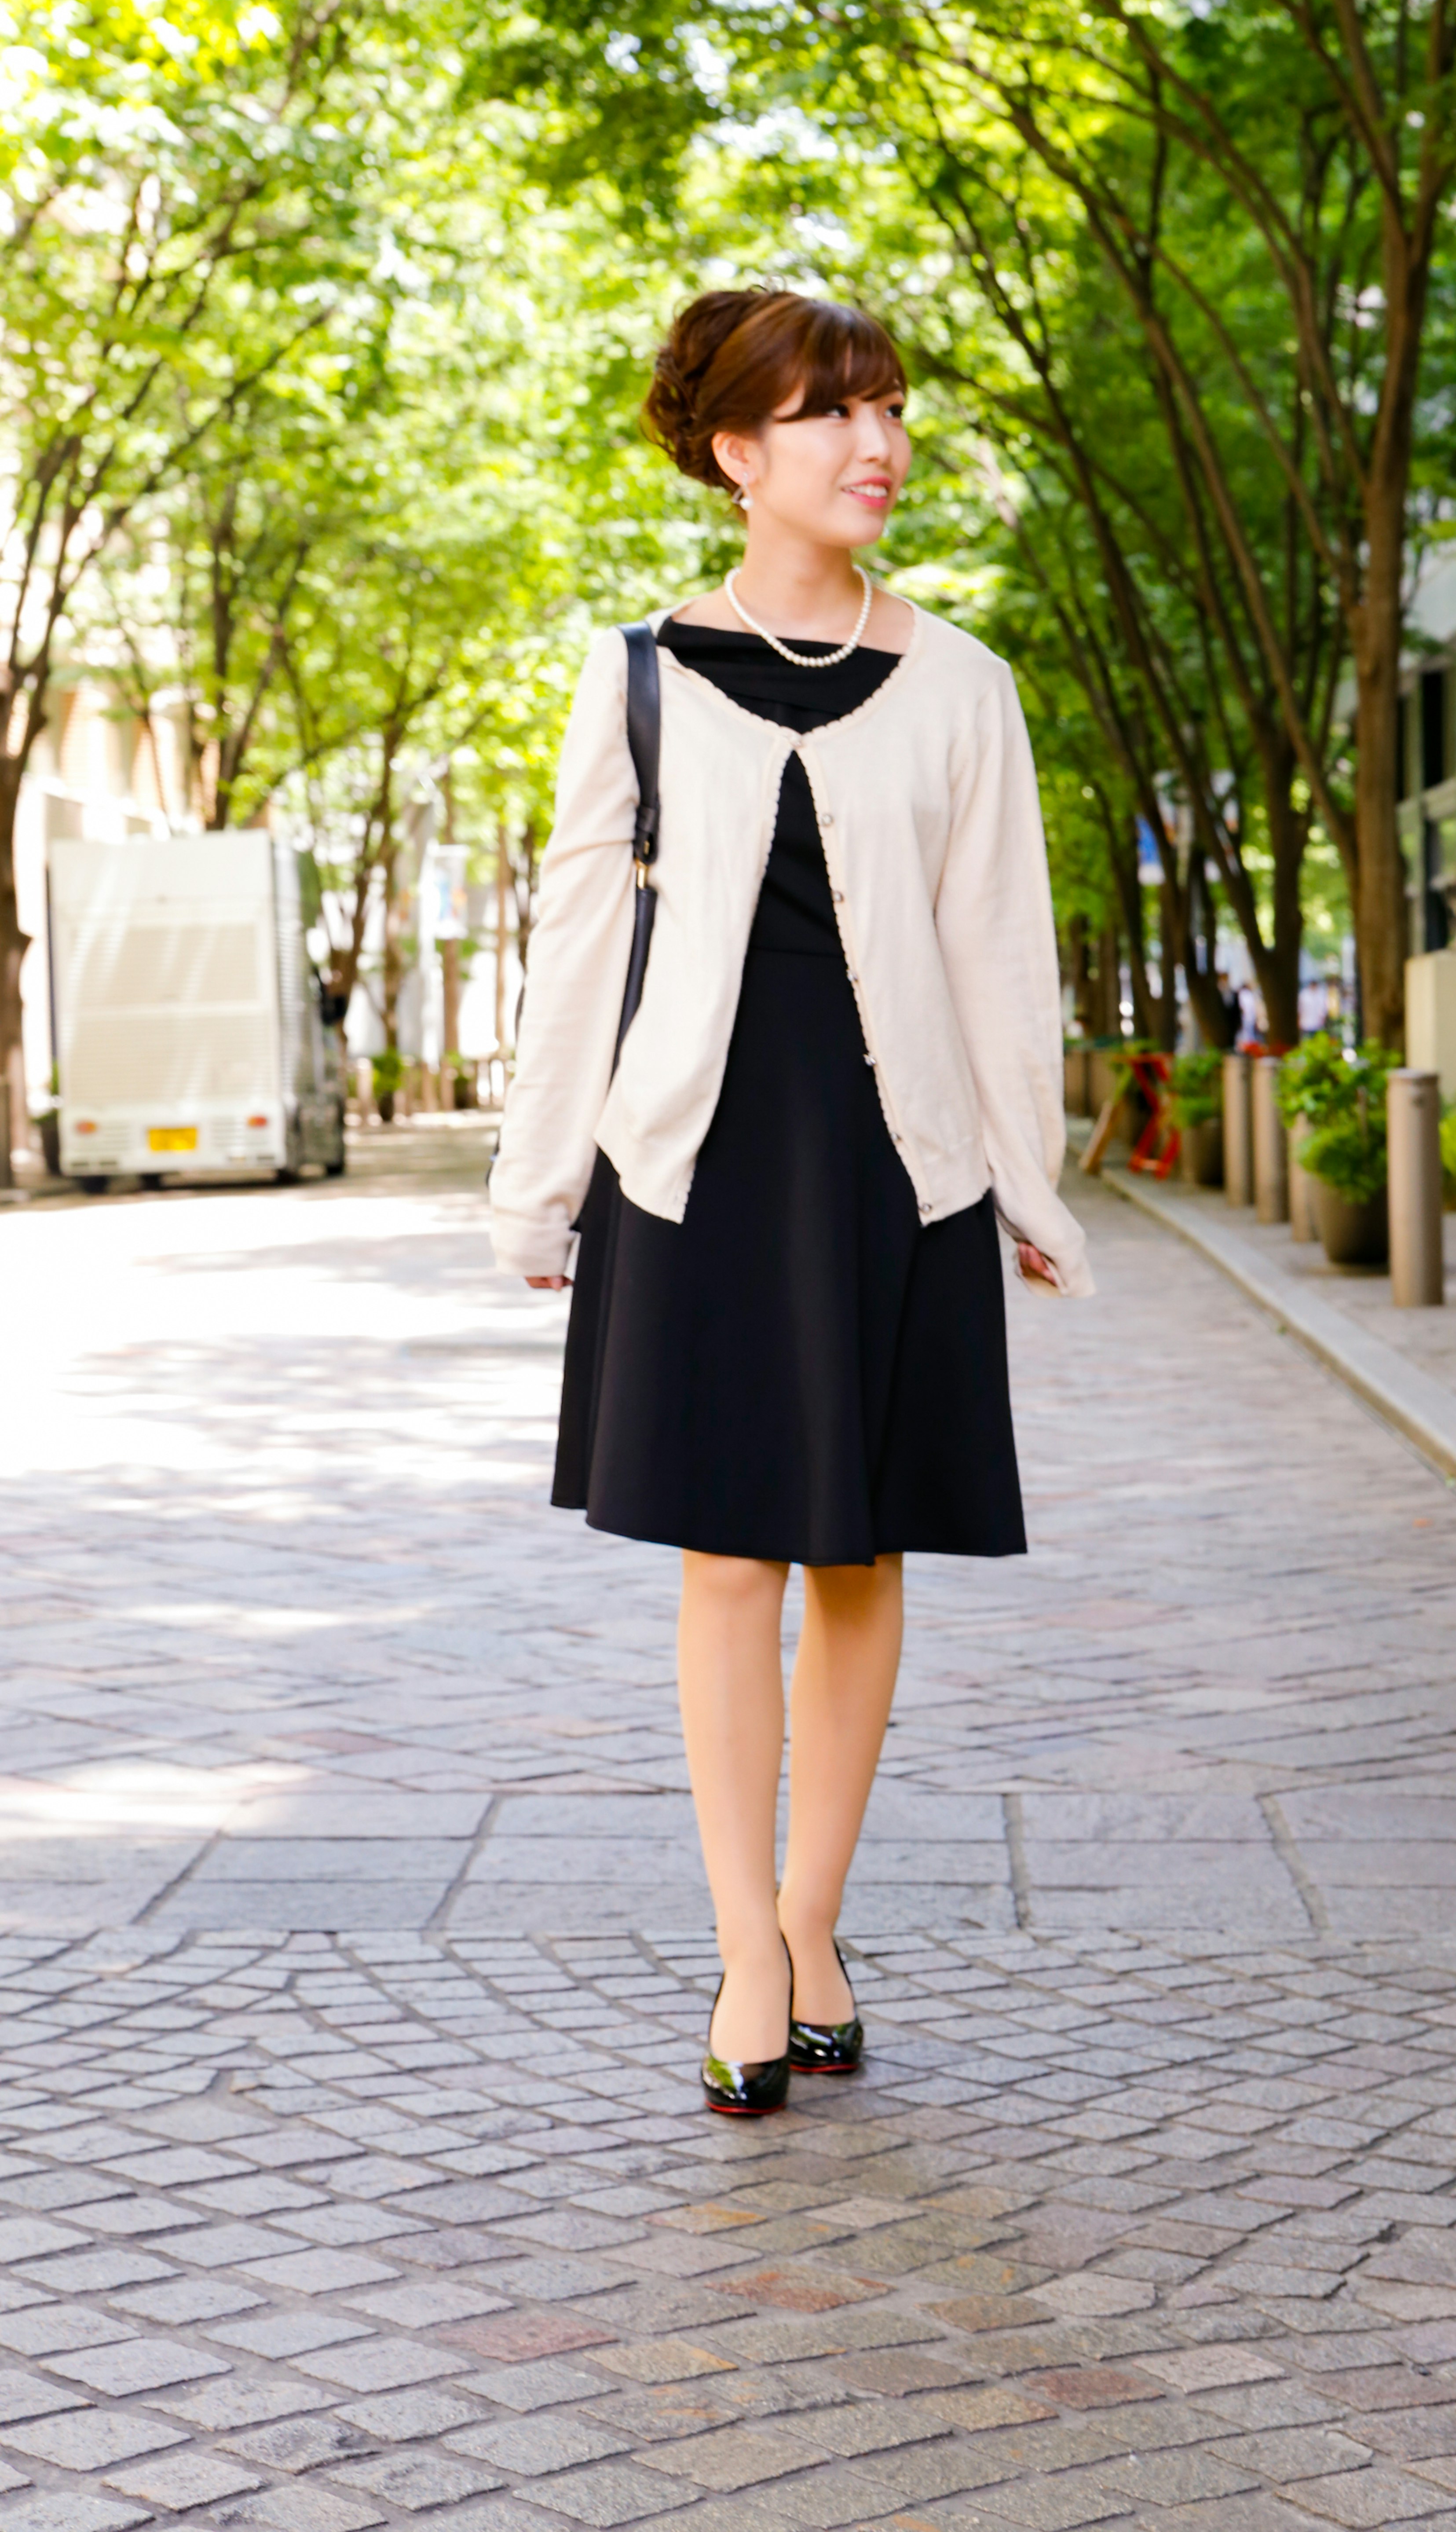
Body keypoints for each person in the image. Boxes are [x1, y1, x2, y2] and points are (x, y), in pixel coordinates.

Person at [489, 287, 1091, 2117]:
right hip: (697, 1159)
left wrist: (1028, 1178)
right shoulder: (639, 677)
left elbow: (1002, 956)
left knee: (857, 1550)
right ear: (737, 454)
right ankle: (746, 1944)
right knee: (727, 1555)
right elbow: (579, 943)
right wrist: (542, 1188)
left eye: (892, 406)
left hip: (892, 1159)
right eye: (832, 413)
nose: (876, 443)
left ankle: (816, 1921)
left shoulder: (962, 685)